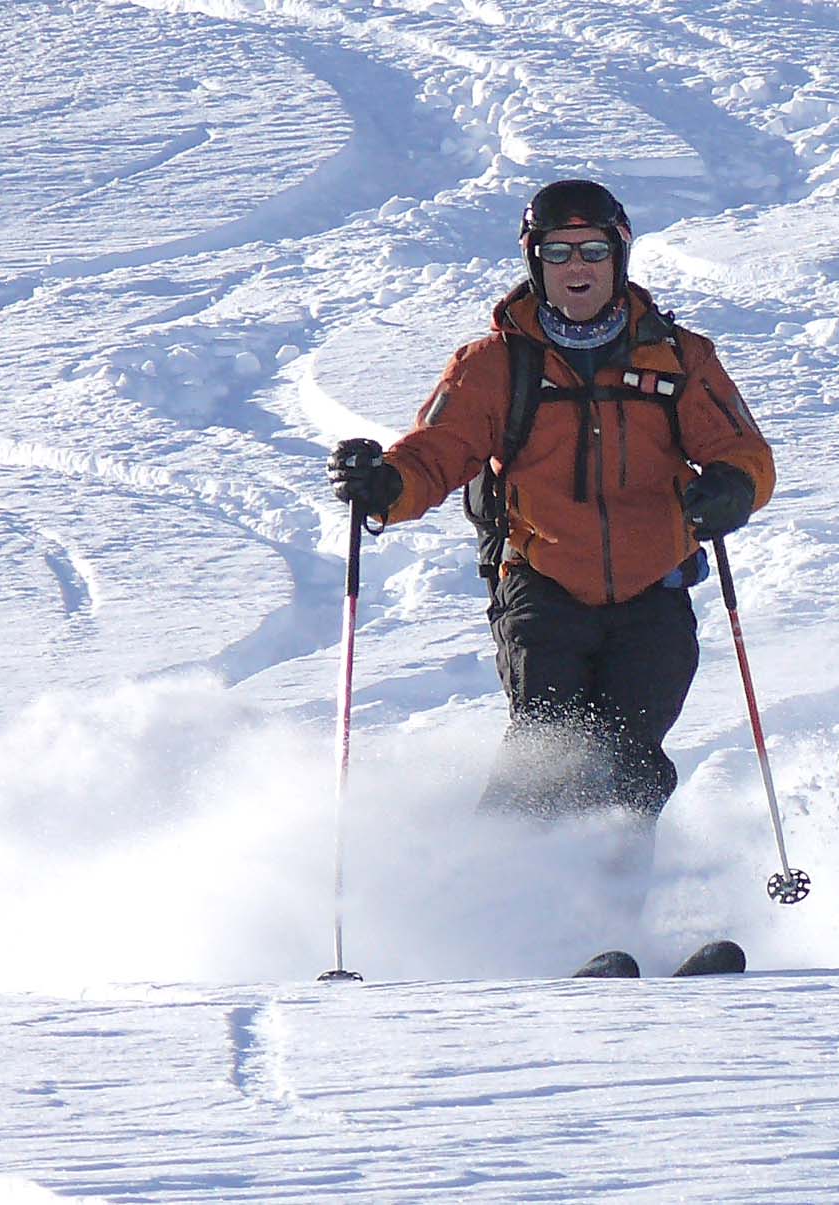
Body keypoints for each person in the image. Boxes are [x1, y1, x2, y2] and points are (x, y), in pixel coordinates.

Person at [327, 179, 774, 839]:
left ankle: (612, 920)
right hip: (543, 585)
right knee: (548, 748)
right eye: (558, 252)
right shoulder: (493, 367)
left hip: (654, 591)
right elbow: (435, 453)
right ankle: (499, 895)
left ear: (618, 256)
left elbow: (742, 450)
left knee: (630, 763)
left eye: (592, 250)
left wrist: (732, 488)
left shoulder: (677, 358)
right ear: (535, 262)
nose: (577, 267)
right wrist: (385, 487)